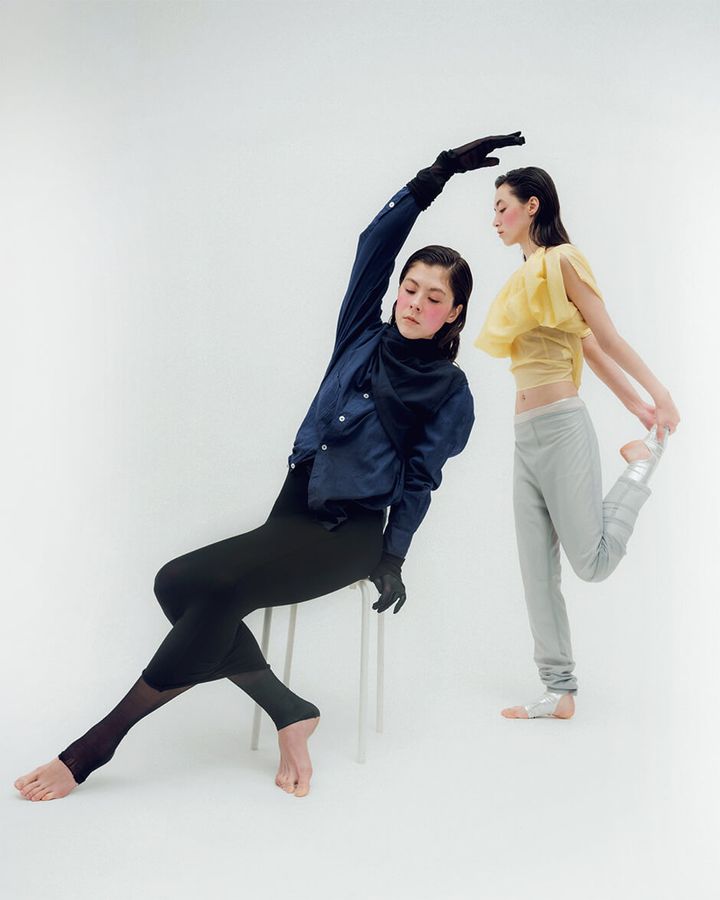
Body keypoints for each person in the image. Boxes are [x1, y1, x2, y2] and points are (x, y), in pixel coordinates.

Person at [14, 131, 525, 801]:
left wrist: (393, 555)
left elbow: (423, 480)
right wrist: (435, 175)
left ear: (454, 313)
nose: (416, 303)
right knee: (176, 582)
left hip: (348, 533)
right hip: (292, 512)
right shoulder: (360, 335)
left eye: (435, 298)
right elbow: (373, 243)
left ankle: (92, 748)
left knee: (220, 591)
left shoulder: (449, 391)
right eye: (411, 288)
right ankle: (291, 711)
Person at [475, 166, 680, 720]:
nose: (495, 219)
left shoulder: (562, 260)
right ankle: (558, 691)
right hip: (524, 435)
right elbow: (584, 346)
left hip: (563, 427)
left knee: (592, 563)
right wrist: (636, 408)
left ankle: (640, 467)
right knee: (536, 572)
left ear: (533, 205)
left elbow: (606, 337)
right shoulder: (524, 275)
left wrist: (659, 395)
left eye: (502, 206)